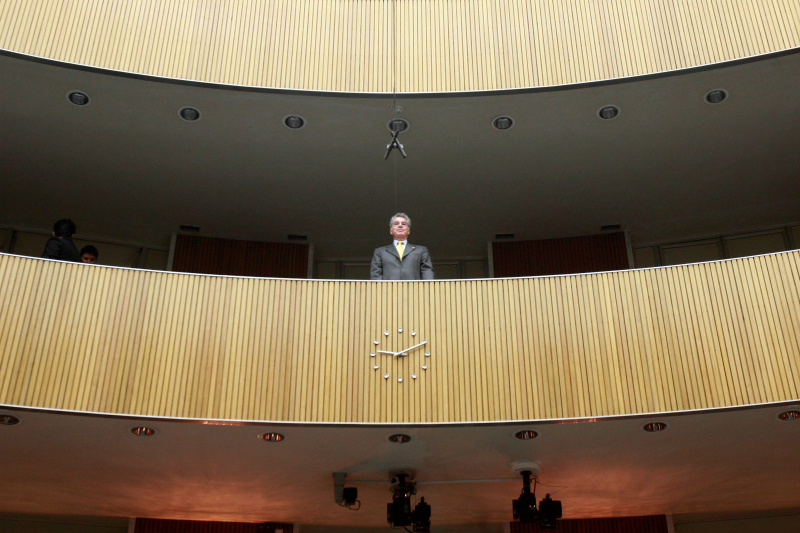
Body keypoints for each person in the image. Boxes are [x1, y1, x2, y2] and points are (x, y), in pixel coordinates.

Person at [370, 213, 434, 280]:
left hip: (414, 289)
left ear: (408, 231)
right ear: (390, 231)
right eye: (396, 224)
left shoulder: (421, 250)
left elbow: (427, 273)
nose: (400, 225)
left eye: (403, 224)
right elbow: (376, 275)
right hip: (389, 290)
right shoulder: (380, 252)